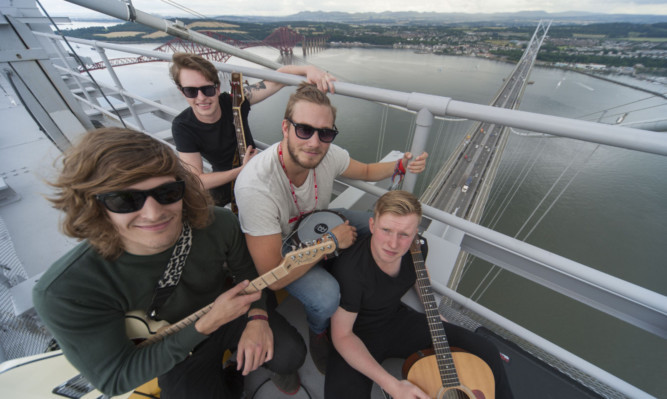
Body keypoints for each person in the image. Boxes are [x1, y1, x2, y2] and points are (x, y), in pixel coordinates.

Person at [32, 128, 306, 398]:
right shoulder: (66, 290)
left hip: (231, 310)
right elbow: (115, 377)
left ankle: (236, 371)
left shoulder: (218, 223)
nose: (153, 214)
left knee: (290, 354)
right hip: (172, 344)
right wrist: (205, 325)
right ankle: (232, 377)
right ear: (93, 205)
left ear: (183, 190)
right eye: (125, 200)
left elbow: (247, 272)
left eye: (167, 193)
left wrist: (257, 317)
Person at [233, 82, 429, 374]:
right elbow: (272, 276)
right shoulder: (256, 186)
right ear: (285, 128)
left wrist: (400, 165)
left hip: (317, 219)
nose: (314, 142)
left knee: (381, 229)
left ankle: (371, 293)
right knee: (326, 297)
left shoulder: (327, 153)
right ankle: (319, 332)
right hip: (284, 245)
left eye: (325, 133)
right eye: (304, 130)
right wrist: (330, 244)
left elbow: (364, 171)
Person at [325, 190, 514, 399]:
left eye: (404, 234)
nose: (393, 244)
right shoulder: (352, 270)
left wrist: (434, 313)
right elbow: (342, 335)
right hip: (358, 334)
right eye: (386, 230)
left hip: (397, 320)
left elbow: (419, 276)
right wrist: (393, 386)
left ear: (415, 234)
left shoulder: (417, 249)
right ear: (372, 225)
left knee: (485, 351)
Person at [170, 52, 335, 207]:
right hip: (223, 185)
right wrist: (241, 170)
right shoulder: (183, 126)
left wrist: (309, 70)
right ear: (181, 92)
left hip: (257, 175)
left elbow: (277, 79)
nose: (201, 98)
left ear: (218, 88)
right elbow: (197, 180)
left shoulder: (235, 101)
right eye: (191, 91)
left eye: (207, 89)